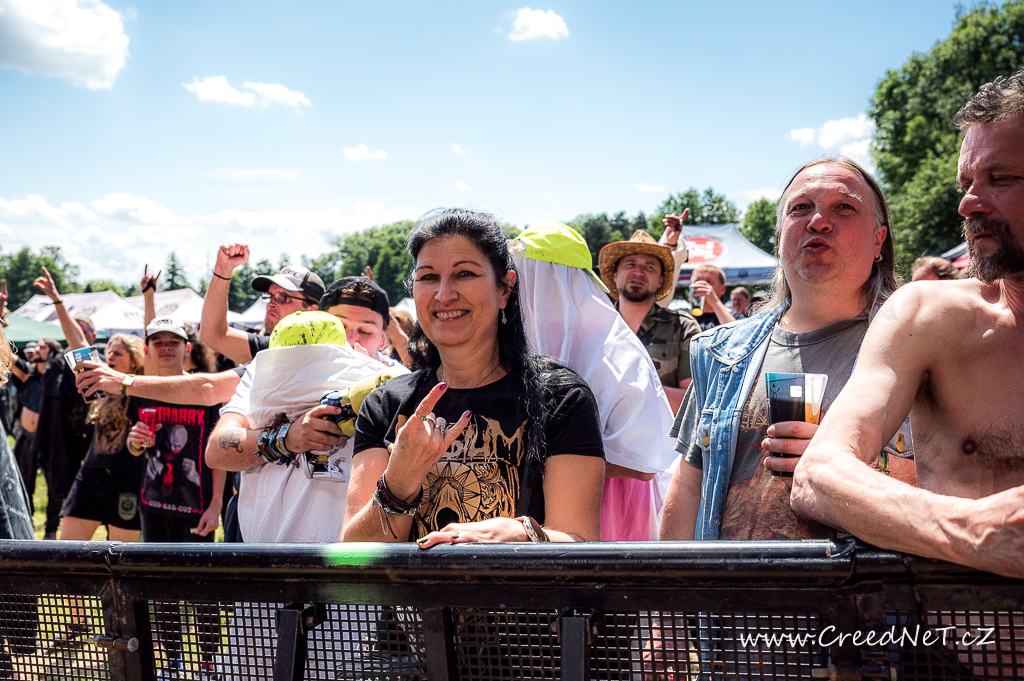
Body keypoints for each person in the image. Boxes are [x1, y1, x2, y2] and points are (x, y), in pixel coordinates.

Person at [791, 71, 1024, 580]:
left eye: (1001, 178)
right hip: (961, 633)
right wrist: (970, 528)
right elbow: (819, 474)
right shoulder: (926, 316)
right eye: (966, 184)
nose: (968, 204)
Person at [659, 157, 916, 544]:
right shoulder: (723, 354)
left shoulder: (921, 351)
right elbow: (689, 484)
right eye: (801, 208)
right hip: (731, 583)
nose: (818, 221)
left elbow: (963, 488)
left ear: (878, 241)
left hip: (863, 582)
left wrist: (848, 467)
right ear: (780, 237)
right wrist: (670, 582)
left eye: (844, 207)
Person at [343, 208, 605, 547]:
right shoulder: (385, 405)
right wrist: (398, 483)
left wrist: (523, 535)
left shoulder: (559, 397)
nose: (444, 294)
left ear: (505, 289)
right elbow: (356, 553)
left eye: (464, 273)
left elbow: (579, 539)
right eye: (428, 277)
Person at [511, 222, 677, 540]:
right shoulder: (512, 345)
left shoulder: (618, 353)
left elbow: (645, 464)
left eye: (533, 277)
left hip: (609, 511)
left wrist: (555, 459)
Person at [598, 230, 701, 412]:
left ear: (660, 280)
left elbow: (695, 399)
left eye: (649, 267)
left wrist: (635, 391)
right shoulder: (596, 326)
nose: (639, 272)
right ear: (615, 275)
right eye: (630, 264)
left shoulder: (683, 327)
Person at [59, 333, 147, 543]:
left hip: (127, 478)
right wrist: (59, 310)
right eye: (109, 353)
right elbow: (79, 346)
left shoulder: (143, 388)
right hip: (91, 473)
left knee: (121, 555)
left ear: (135, 360)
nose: (110, 357)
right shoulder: (101, 384)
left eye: (118, 354)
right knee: (66, 550)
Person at [31, 267, 97, 539]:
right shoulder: (60, 362)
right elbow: (76, 345)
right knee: (60, 485)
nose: (77, 335)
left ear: (94, 336)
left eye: (83, 331)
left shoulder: (106, 365)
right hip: (65, 437)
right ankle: (51, 530)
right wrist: (57, 301)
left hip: (98, 443)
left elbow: (80, 345)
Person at [200, 242, 324, 364]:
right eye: (269, 296)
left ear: (312, 311)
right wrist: (223, 269)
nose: (270, 304)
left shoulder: (329, 353)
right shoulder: (273, 347)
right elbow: (213, 334)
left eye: (282, 297)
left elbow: (215, 335)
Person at [8, 337, 61, 512]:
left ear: (52, 352)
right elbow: (8, 357)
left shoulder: (58, 379)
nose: (37, 349)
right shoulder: (28, 375)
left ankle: (51, 524)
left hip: (48, 440)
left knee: (54, 484)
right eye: (37, 346)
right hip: (26, 437)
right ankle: (25, 517)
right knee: (22, 480)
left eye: (43, 347)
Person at [688, 264, 736, 331]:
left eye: (708, 281)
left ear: (722, 289)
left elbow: (736, 333)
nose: (702, 284)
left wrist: (714, 302)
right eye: (697, 281)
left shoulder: (735, 316)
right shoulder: (683, 316)